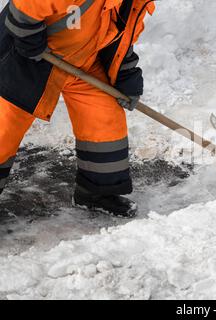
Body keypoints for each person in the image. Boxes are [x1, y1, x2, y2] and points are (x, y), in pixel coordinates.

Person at [0, 0, 156, 218]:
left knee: (104, 116)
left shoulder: (134, 2)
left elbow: (122, 38)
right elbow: (26, 6)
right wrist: (27, 36)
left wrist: (126, 75)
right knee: (4, 128)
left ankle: (96, 192)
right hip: (29, 59)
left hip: (83, 64)